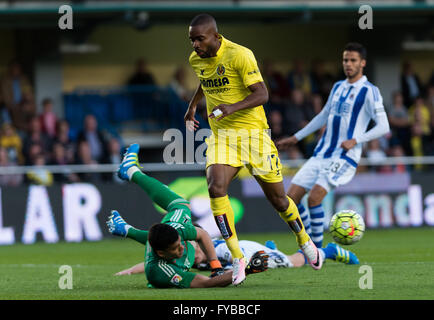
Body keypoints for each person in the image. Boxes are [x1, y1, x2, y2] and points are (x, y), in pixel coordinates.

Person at [184, 13, 322, 286]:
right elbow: (205, 79)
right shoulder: (195, 59)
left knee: (279, 201)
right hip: (222, 136)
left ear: (215, 36)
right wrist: (191, 107)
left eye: (199, 39)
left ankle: (304, 240)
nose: (195, 45)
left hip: (254, 137)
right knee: (215, 187)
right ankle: (238, 258)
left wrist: (231, 108)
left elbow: (262, 94)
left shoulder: (240, 55)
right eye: (191, 40)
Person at [277, 42, 390, 249]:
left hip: (343, 156)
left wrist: (357, 140)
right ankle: (309, 245)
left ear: (362, 63)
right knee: (290, 199)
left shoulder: (369, 91)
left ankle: (316, 251)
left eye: (353, 60)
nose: (348, 64)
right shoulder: (338, 87)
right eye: (345, 60)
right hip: (321, 153)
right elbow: (323, 115)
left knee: (314, 198)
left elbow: (384, 125)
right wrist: (296, 137)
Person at [107, 143, 269, 288]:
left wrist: (216, 267)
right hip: (165, 257)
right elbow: (207, 283)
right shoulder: (162, 272)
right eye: (176, 248)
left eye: (180, 243)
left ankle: (131, 172)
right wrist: (247, 271)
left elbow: (203, 234)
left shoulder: (179, 232)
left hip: (172, 235)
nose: (182, 247)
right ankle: (126, 225)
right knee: (183, 224)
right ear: (162, 254)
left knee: (181, 205)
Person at [115, 238, 359, 276]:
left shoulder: (217, 251)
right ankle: (271, 247)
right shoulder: (186, 253)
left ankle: (328, 250)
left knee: (293, 262)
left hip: (247, 251)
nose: (184, 251)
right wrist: (128, 271)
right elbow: (155, 264)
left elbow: (239, 265)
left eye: (188, 245)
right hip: (243, 248)